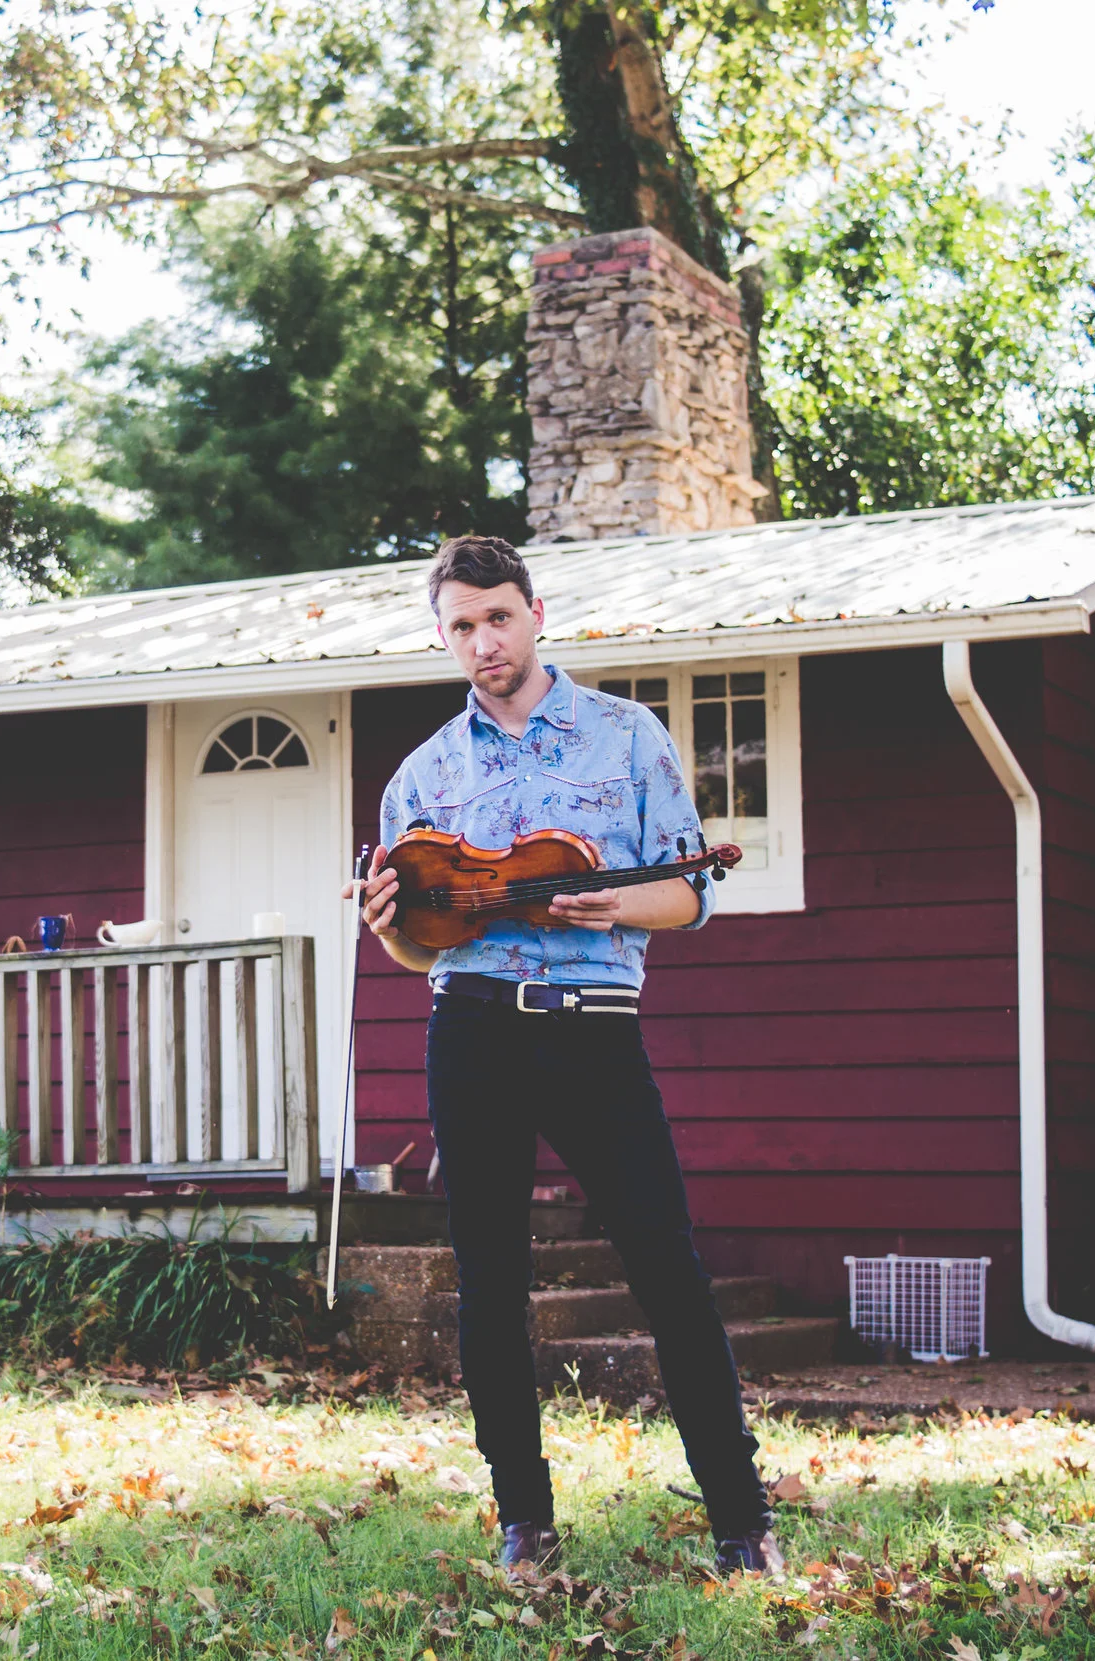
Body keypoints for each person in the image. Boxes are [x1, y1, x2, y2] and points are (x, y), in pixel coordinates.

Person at [346, 534, 783, 1576]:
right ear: (443, 635)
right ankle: (524, 1523)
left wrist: (613, 905)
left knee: (667, 1270)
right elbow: (424, 948)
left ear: (535, 613)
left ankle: (741, 1522)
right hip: (473, 1029)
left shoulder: (627, 737)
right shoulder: (423, 774)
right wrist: (384, 926)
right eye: (461, 626)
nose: (483, 641)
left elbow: (689, 892)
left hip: (594, 1024)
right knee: (490, 1280)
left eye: (498, 616)